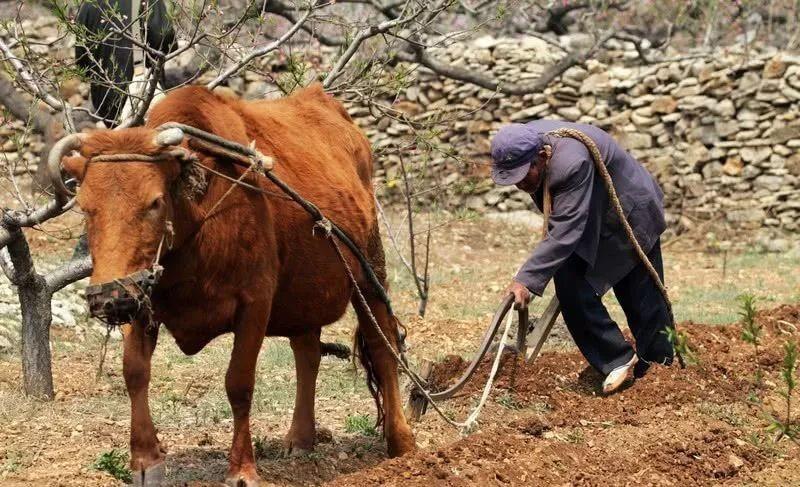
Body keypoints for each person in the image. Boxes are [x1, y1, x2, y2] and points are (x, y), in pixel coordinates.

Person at [490, 120, 674, 394]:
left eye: (523, 175)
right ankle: (617, 359)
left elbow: (565, 232)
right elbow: (565, 224)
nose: (519, 184)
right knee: (570, 284)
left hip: (630, 213)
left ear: (541, 157)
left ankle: (661, 371)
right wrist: (534, 270)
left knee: (642, 297)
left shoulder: (570, 164)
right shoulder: (522, 144)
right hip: (591, 219)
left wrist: (526, 279)